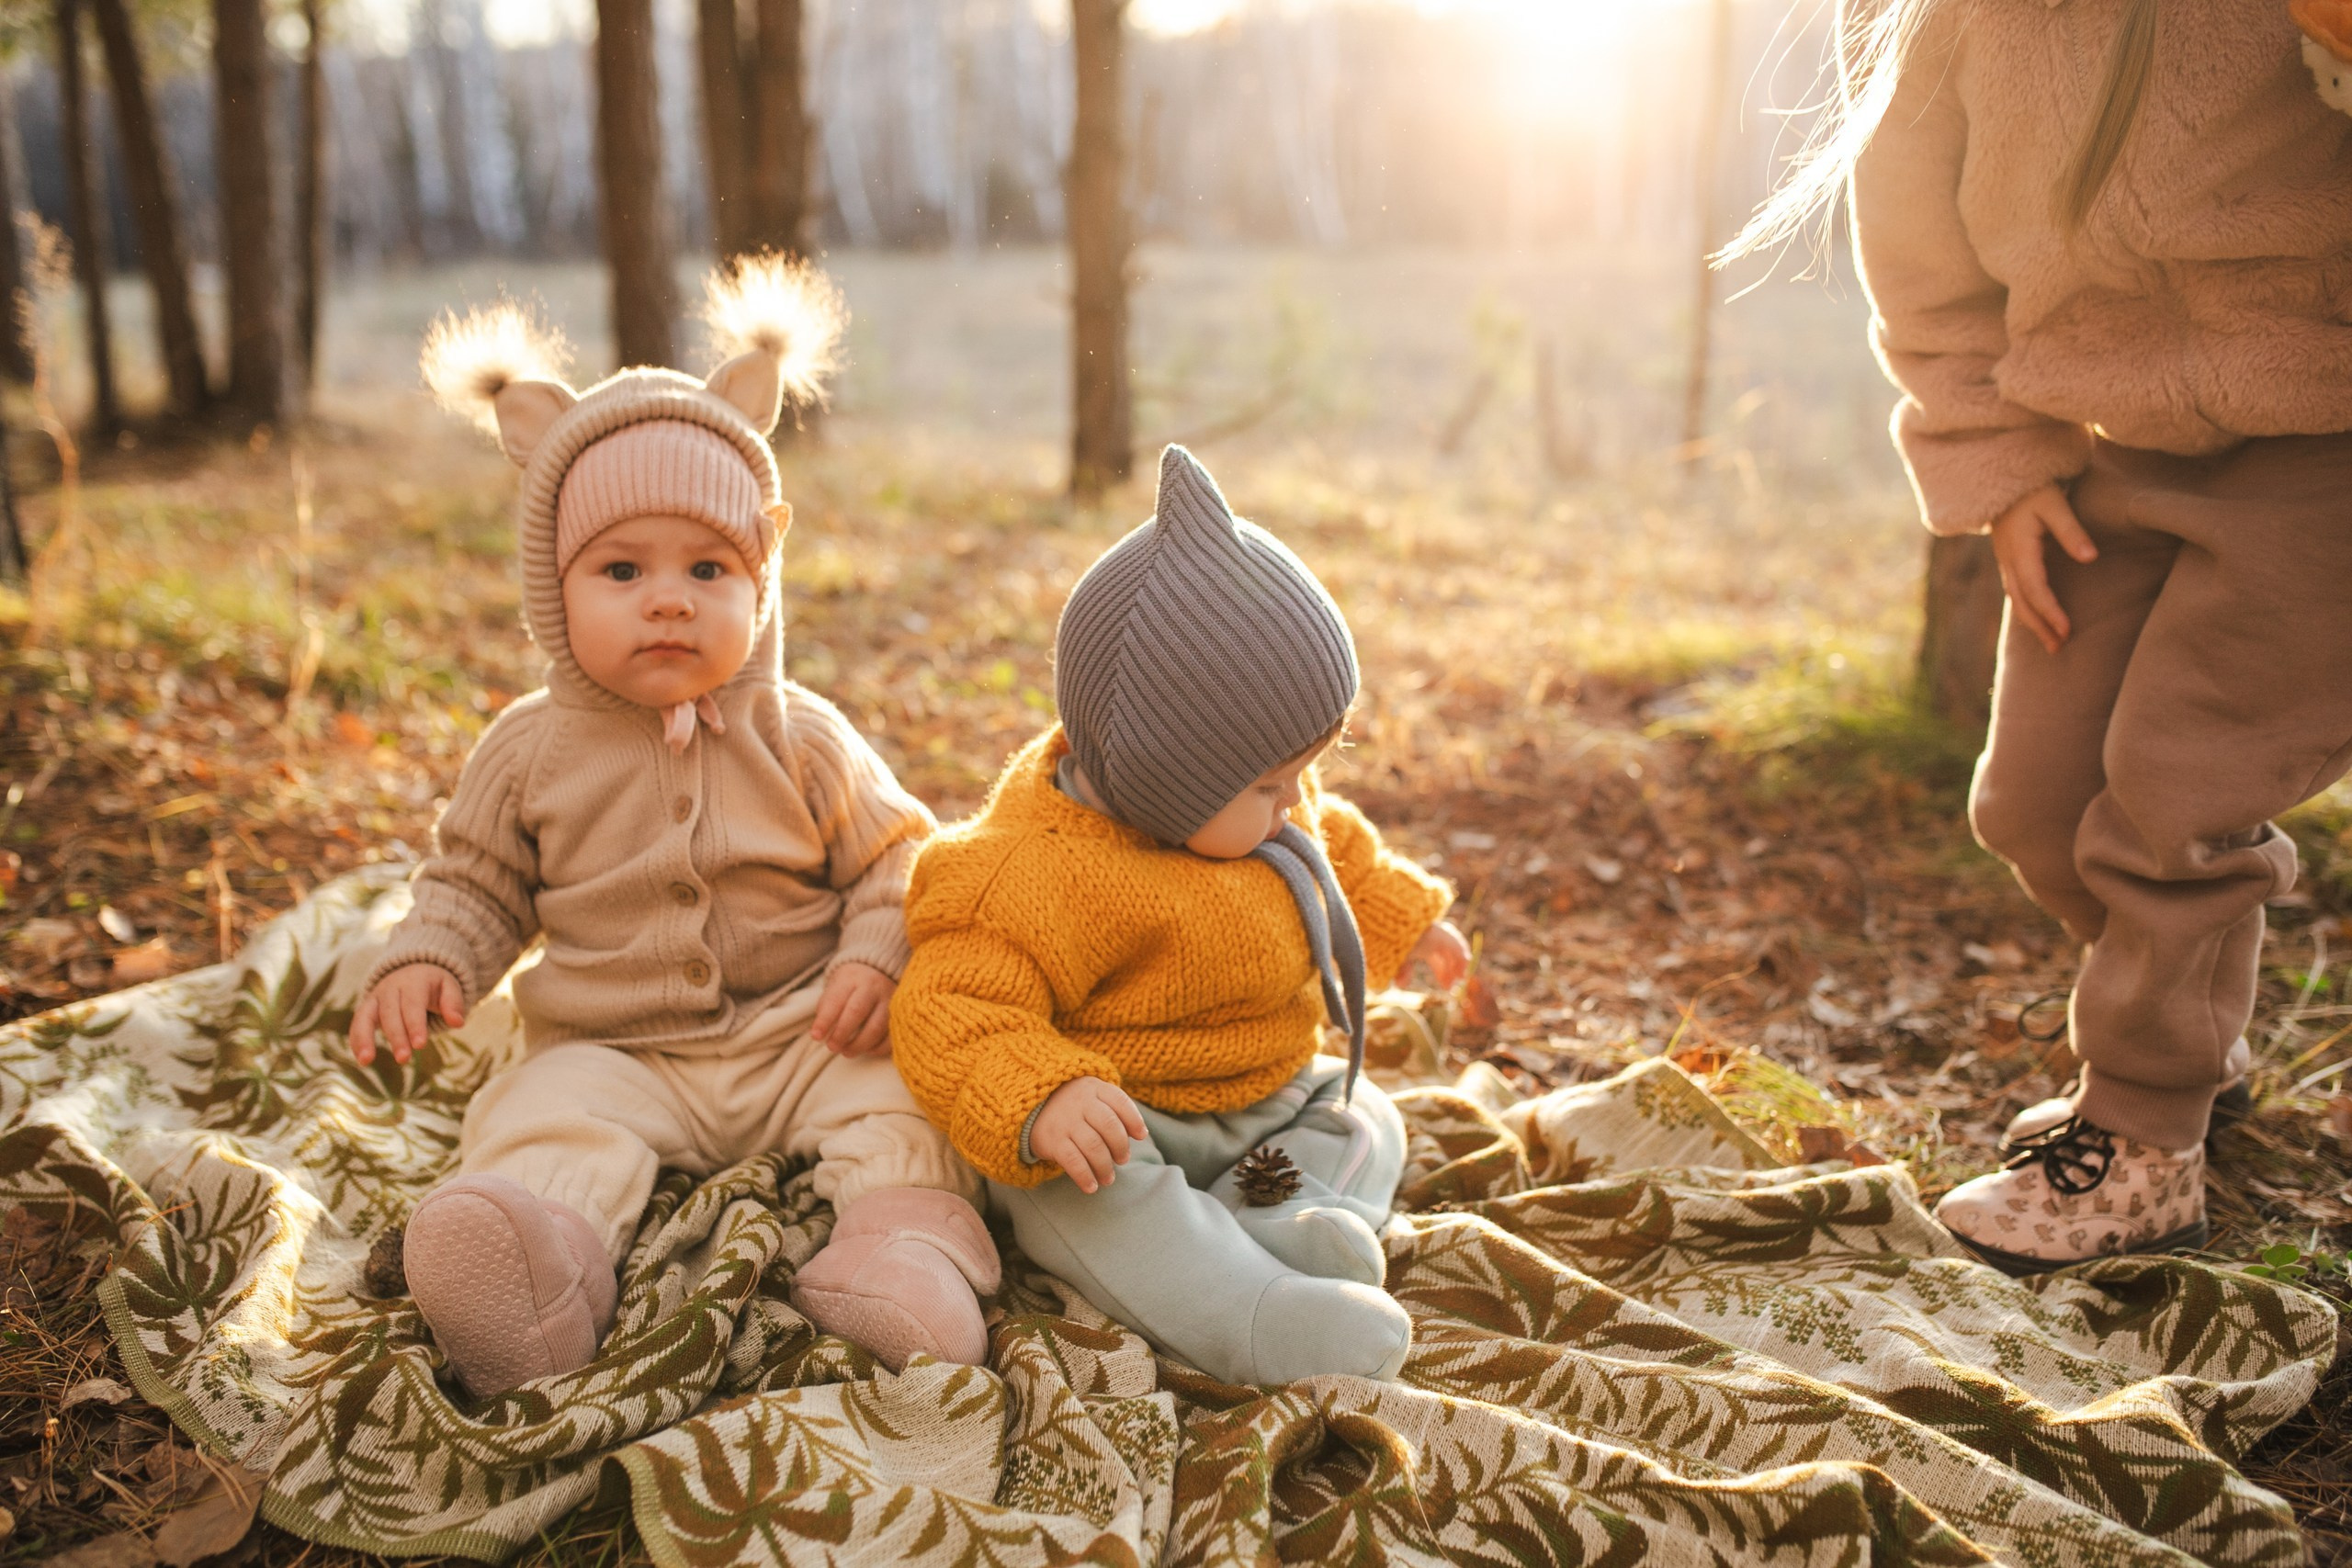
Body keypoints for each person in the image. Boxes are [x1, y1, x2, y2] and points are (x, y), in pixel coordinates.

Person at [1729, 0, 2352, 1271]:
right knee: (2033, 799)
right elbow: (1921, 259)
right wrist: (2003, 465)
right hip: (2113, 442)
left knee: (2176, 790)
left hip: (2326, 438)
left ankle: (2141, 1139)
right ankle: (2183, 1041)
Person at [346, 262, 997, 1398]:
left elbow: (903, 857)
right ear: (555, 589)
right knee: (544, 1118)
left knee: (908, 1094)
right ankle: (533, 1271)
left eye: (708, 568)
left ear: (762, 583)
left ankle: (903, 1253)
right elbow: (476, 882)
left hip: (806, 1029)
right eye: (621, 569)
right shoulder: (529, 751)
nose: (668, 598)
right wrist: (431, 954)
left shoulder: (802, 736)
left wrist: (872, 955)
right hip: (617, 1048)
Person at [888, 446, 1470, 1386]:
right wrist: (1043, 1098)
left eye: (1300, 772)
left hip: (1266, 1092)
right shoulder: (1027, 874)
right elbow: (949, 1007)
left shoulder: (1266, 802)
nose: (1296, 799)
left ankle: (1288, 1216)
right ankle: (1253, 1315)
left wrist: (1402, 918)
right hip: (1120, 1120)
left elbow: (1338, 850)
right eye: (1270, 781)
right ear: (1166, 773)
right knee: (1086, 1199)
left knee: (1364, 1113)